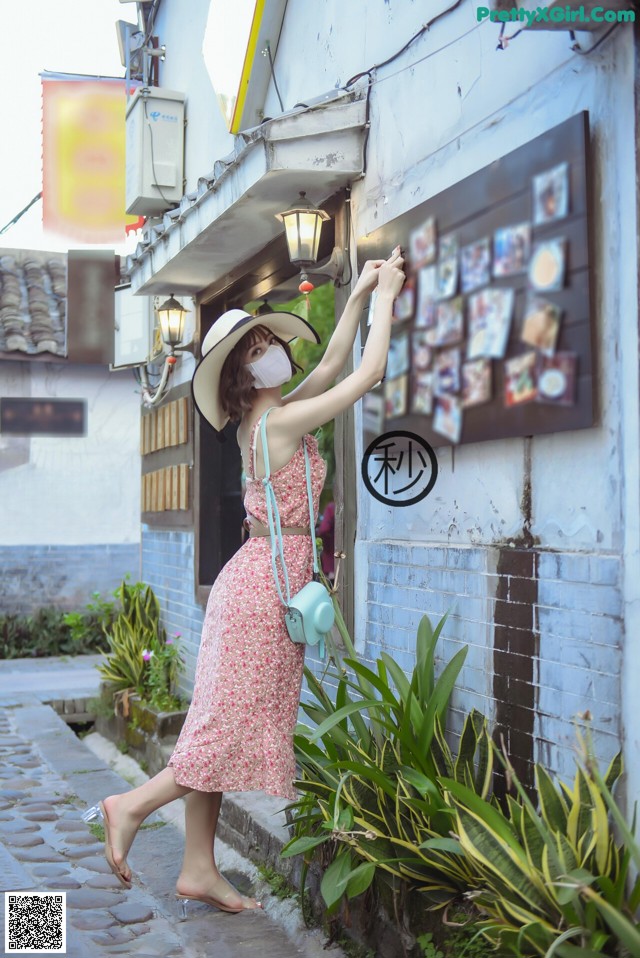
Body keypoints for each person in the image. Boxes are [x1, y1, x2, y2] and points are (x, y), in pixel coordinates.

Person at [82, 247, 405, 916]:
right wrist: (391, 295)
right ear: (244, 373)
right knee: (222, 732)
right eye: (259, 348)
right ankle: (128, 805)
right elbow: (368, 371)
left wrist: (359, 293)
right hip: (260, 591)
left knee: (216, 725)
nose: (273, 353)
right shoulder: (279, 422)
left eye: (269, 342)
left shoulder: (269, 417)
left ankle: (198, 868)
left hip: (256, 582)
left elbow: (335, 362)